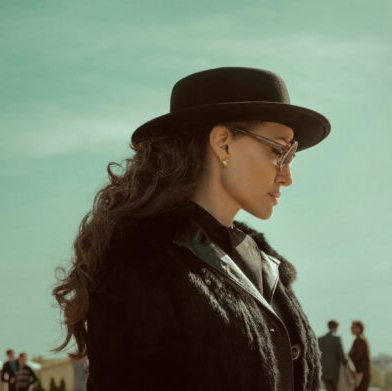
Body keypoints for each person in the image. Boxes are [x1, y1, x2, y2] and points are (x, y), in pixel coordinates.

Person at [52, 67, 331, 391]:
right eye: (279, 150)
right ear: (224, 144)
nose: (287, 176)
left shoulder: (267, 265)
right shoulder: (141, 261)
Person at [318, 320, 347, 391]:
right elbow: (342, 354)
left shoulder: (320, 339)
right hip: (335, 370)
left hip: (324, 370)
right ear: (336, 327)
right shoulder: (337, 339)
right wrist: (345, 362)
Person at [348, 320, 371, 391]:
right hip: (360, 372)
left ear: (359, 328)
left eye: (353, 327)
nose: (351, 329)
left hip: (361, 373)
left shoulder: (360, 340)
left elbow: (356, 357)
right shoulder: (359, 340)